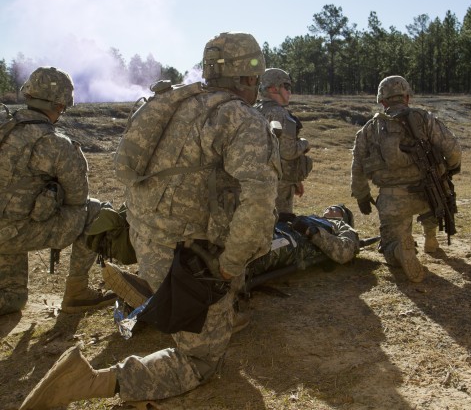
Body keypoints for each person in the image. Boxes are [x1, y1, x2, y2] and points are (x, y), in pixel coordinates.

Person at [19, 32, 281, 409]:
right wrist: (229, 266)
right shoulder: (239, 117)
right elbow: (258, 203)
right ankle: (91, 380)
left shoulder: (173, 103)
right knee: (201, 360)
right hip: (194, 256)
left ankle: (181, 306)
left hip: (149, 238)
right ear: (248, 76)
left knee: (215, 316)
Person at [0, 66, 115, 316]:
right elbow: (78, 198)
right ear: (60, 105)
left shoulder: (5, 130)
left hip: (6, 232)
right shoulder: (55, 143)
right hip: (15, 232)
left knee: (13, 299)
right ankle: (77, 293)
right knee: (95, 211)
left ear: (28, 95)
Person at [101, 204, 360, 311]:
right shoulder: (309, 216)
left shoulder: (338, 228)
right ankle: (151, 284)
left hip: (282, 247)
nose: (329, 210)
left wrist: (313, 232)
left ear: (343, 217)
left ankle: (151, 293)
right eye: (330, 208)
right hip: (271, 233)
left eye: (336, 210)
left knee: (224, 258)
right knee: (208, 241)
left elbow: (344, 253)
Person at [350, 75, 462, 283]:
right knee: (435, 196)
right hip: (428, 193)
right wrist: (450, 168)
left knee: (390, 246)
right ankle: (431, 239)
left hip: (392, 200)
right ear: (407, 97)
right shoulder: (424, 118)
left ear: (382, 101)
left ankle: (400, 249)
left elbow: (358, 167)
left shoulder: (368, 130)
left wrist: (362, 195)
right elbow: (453, 149)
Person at [254, 68, 312, 214]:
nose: (289, 92)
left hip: (257, 181)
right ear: (274, 88)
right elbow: (288, 151)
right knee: (281, 227)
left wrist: (295, 180)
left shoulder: (255, 110)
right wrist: (305, 143)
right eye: (286, 87)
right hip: (278, 185)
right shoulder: (279, 113)